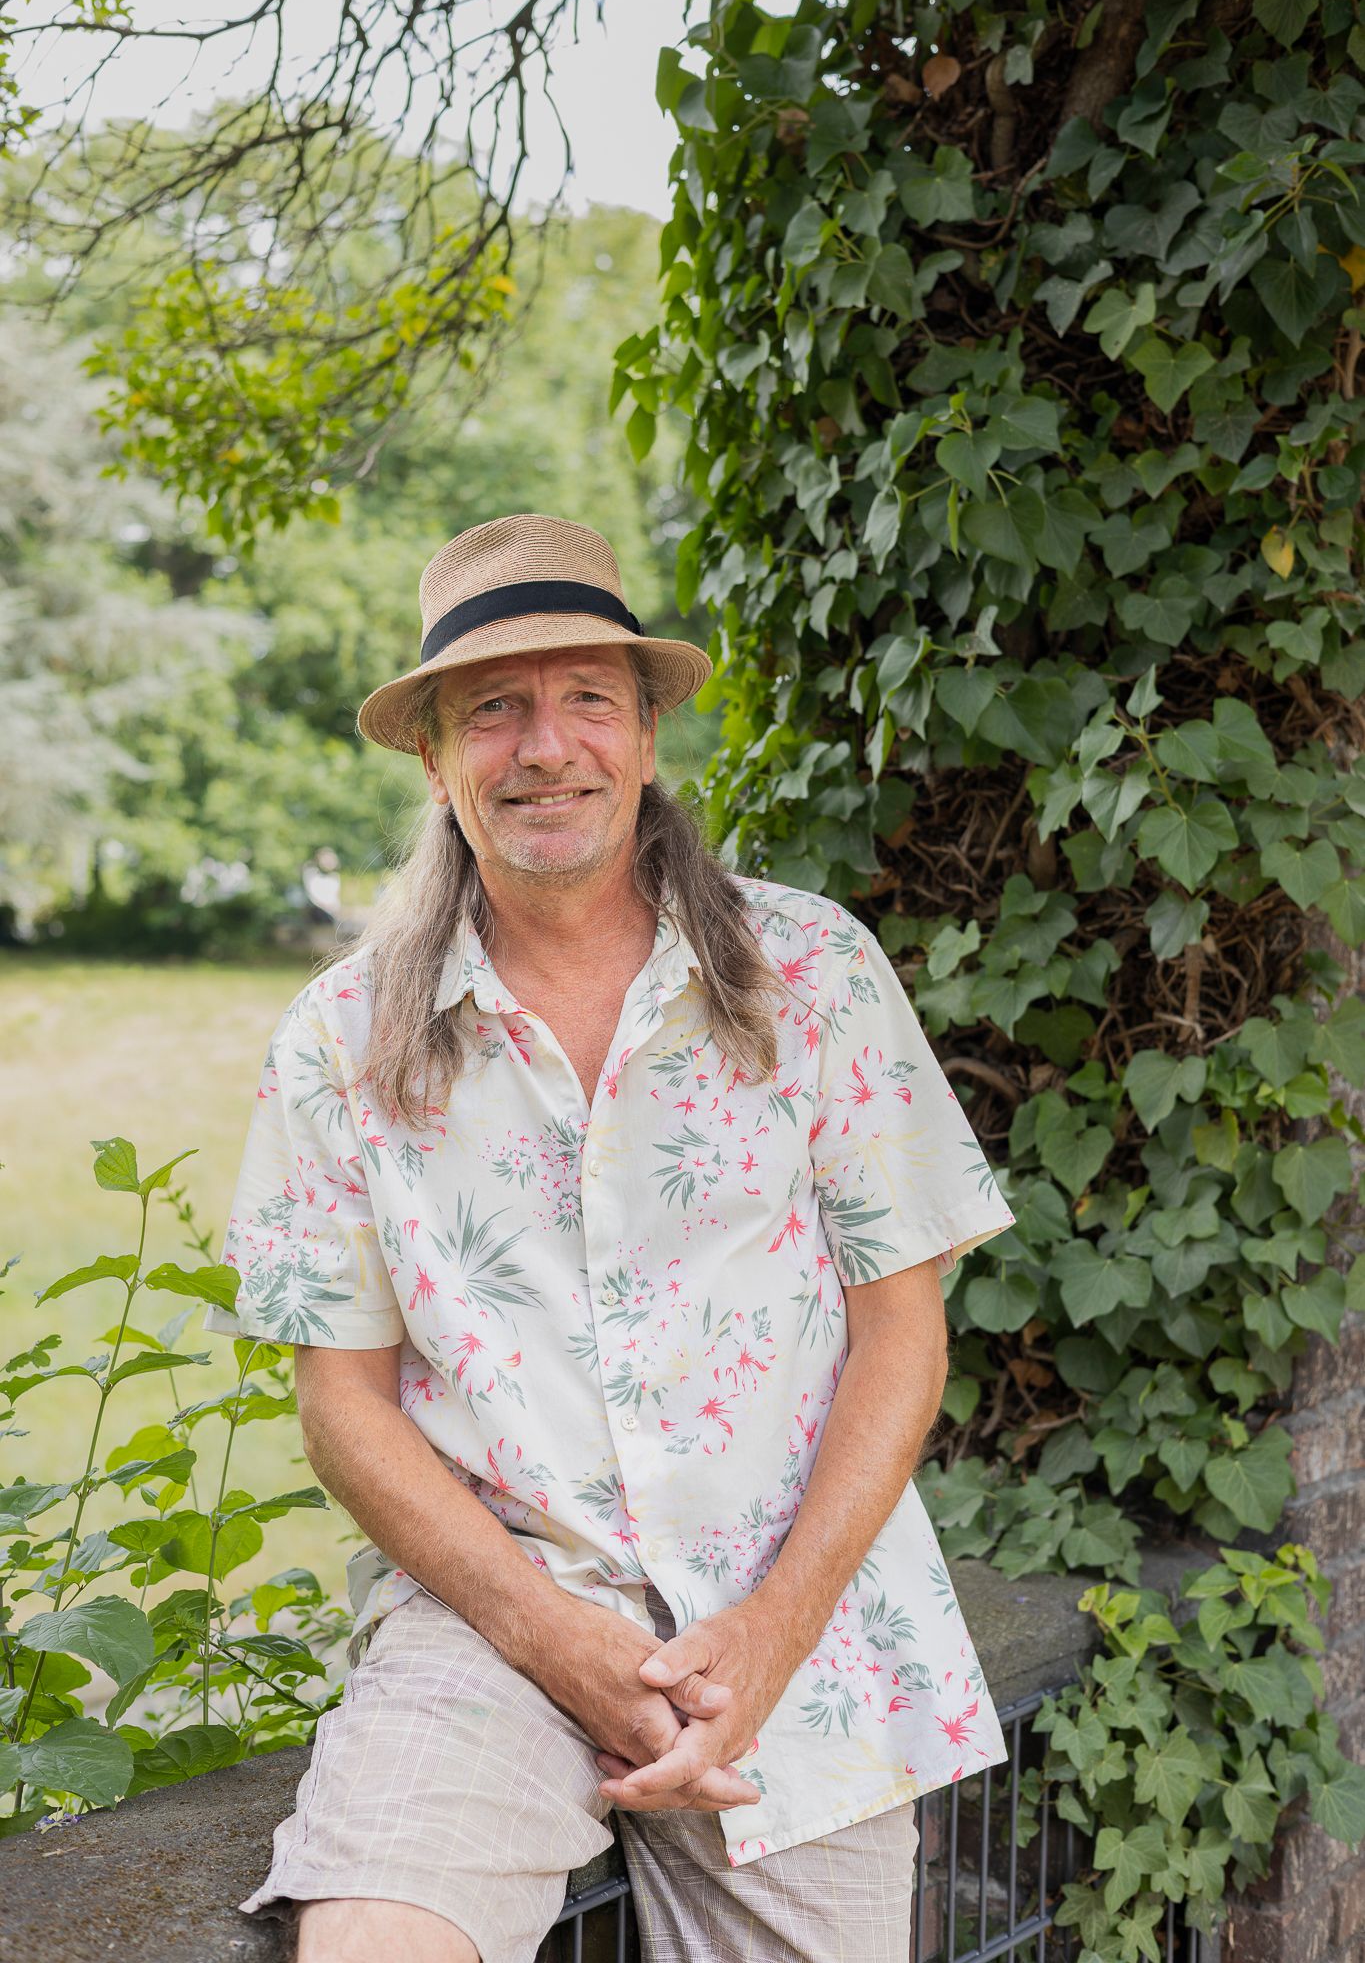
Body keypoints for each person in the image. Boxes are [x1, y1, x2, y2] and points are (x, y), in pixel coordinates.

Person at [205, 512, 1018, 1963]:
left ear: (644, 735)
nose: (546, 748)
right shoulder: (340, 1038)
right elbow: (341, 1404)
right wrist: (552, 1638)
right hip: (493, 1617)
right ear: (434, 757)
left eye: (588, 697)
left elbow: (902, 1328)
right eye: (492, 710)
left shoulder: (814, 971)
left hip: (794, 1619)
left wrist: (771, 1632)